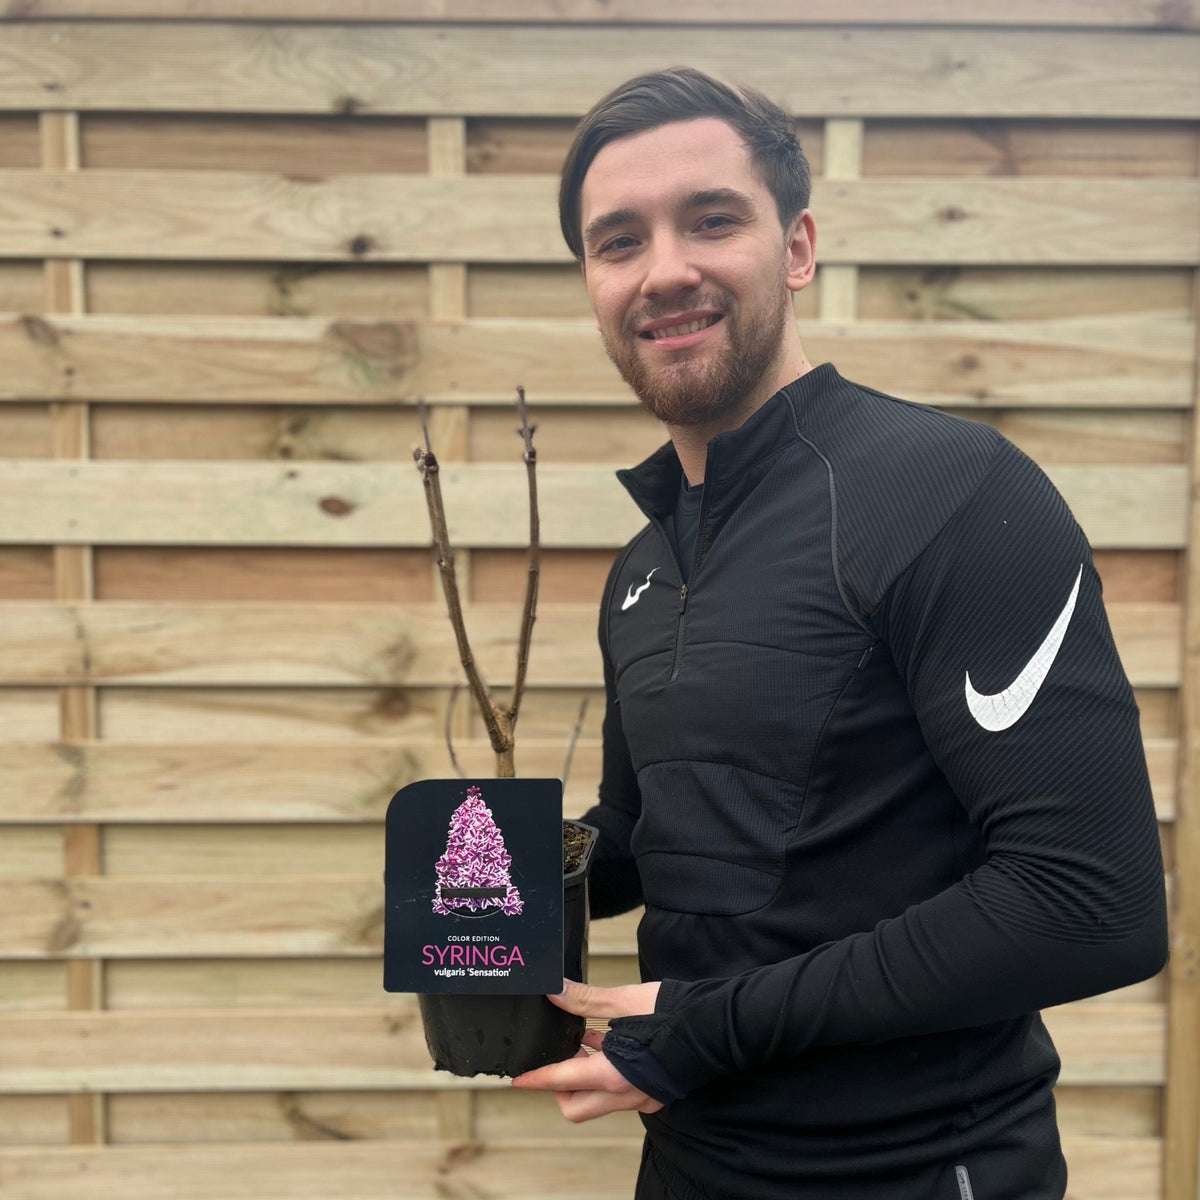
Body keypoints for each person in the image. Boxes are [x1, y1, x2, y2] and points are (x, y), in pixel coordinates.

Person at [510, 68, 1168, 1200]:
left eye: (711, 219)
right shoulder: (644, 567)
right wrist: (487, 869)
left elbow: (1087, 903)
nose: (665, 268)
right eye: (618, 241)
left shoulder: (952, 495)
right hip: (691, 1165)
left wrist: (709, 1028)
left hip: (919, 1172)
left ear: (798, 246)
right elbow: (650, 839)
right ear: (591, 282)